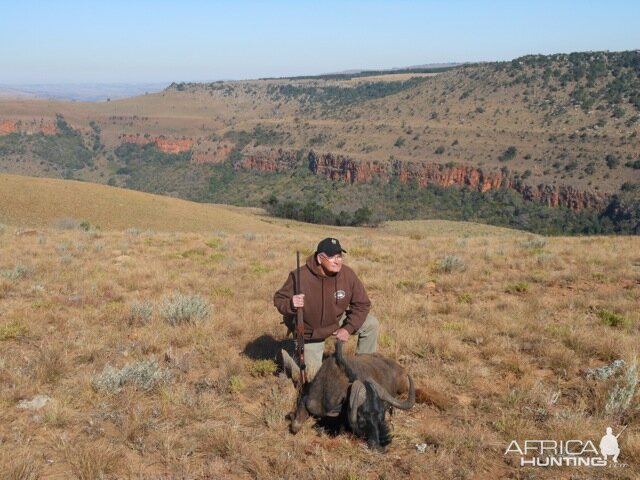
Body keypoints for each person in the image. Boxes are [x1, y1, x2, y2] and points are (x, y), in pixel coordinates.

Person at [274, 237, 379, 379]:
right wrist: (291, 303)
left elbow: (362, 304)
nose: (337, 261)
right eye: (332, 257)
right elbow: (279, 299)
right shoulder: (299, 276)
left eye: (339, 256)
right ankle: (286, 359)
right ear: (319, 258)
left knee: (371, 324)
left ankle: (366, 370)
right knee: (311, 378)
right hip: (311, 331)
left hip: (336, 320)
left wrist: (348, 328)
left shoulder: (348, 274)